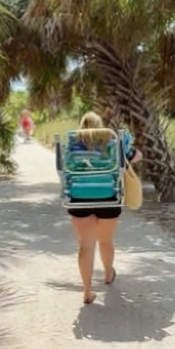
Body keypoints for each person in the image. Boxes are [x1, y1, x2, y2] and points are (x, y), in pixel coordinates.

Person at [66, 111, 142, 304]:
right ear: (101, 126)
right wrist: (126, 146)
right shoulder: (112, 143)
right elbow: (137, 157)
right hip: (108, 198)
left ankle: (87, 291)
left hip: (79, 199)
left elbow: (65, 169)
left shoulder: (73, 146)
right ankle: (108, 273)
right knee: (106, 241)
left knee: (85, 245)